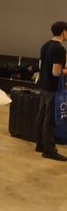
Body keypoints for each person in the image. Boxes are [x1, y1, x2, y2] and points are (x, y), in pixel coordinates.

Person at [35, 21, 67, 161]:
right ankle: (49, 150)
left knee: (42, 115)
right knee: (50, 119)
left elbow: (42, 66)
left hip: (43, 85)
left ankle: (40, 144)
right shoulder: (60, 49)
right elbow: (56, 72)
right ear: (63, 32)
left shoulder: (45, 45)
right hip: (53, 88)